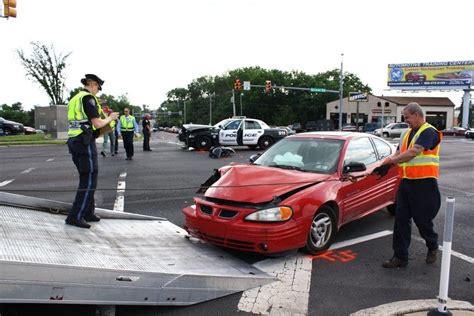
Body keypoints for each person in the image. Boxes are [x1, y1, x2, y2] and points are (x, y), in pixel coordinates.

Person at [375, 102, 442, 268]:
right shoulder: (406, 133)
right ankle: (400, 257)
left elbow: (413, 152)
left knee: (422, 221)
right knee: (401, 220)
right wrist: (387, 163)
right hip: (406, 183)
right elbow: (399, 152)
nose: (406, 121)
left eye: (407, 117)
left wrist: (392, 163)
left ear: (417, 115)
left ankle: (432, 245)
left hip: (424, 184)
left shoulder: (429, 131)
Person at [66, 74, 118, 229]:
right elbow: (97, 122)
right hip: (84, 141)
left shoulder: (75, 98)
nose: (97, 91)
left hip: (74, 140)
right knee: (89, 178)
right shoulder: (88, 99)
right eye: (97, 87)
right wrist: (110, 118)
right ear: (91, 84)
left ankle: (88, 212)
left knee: (87, 176)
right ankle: (76, 216)